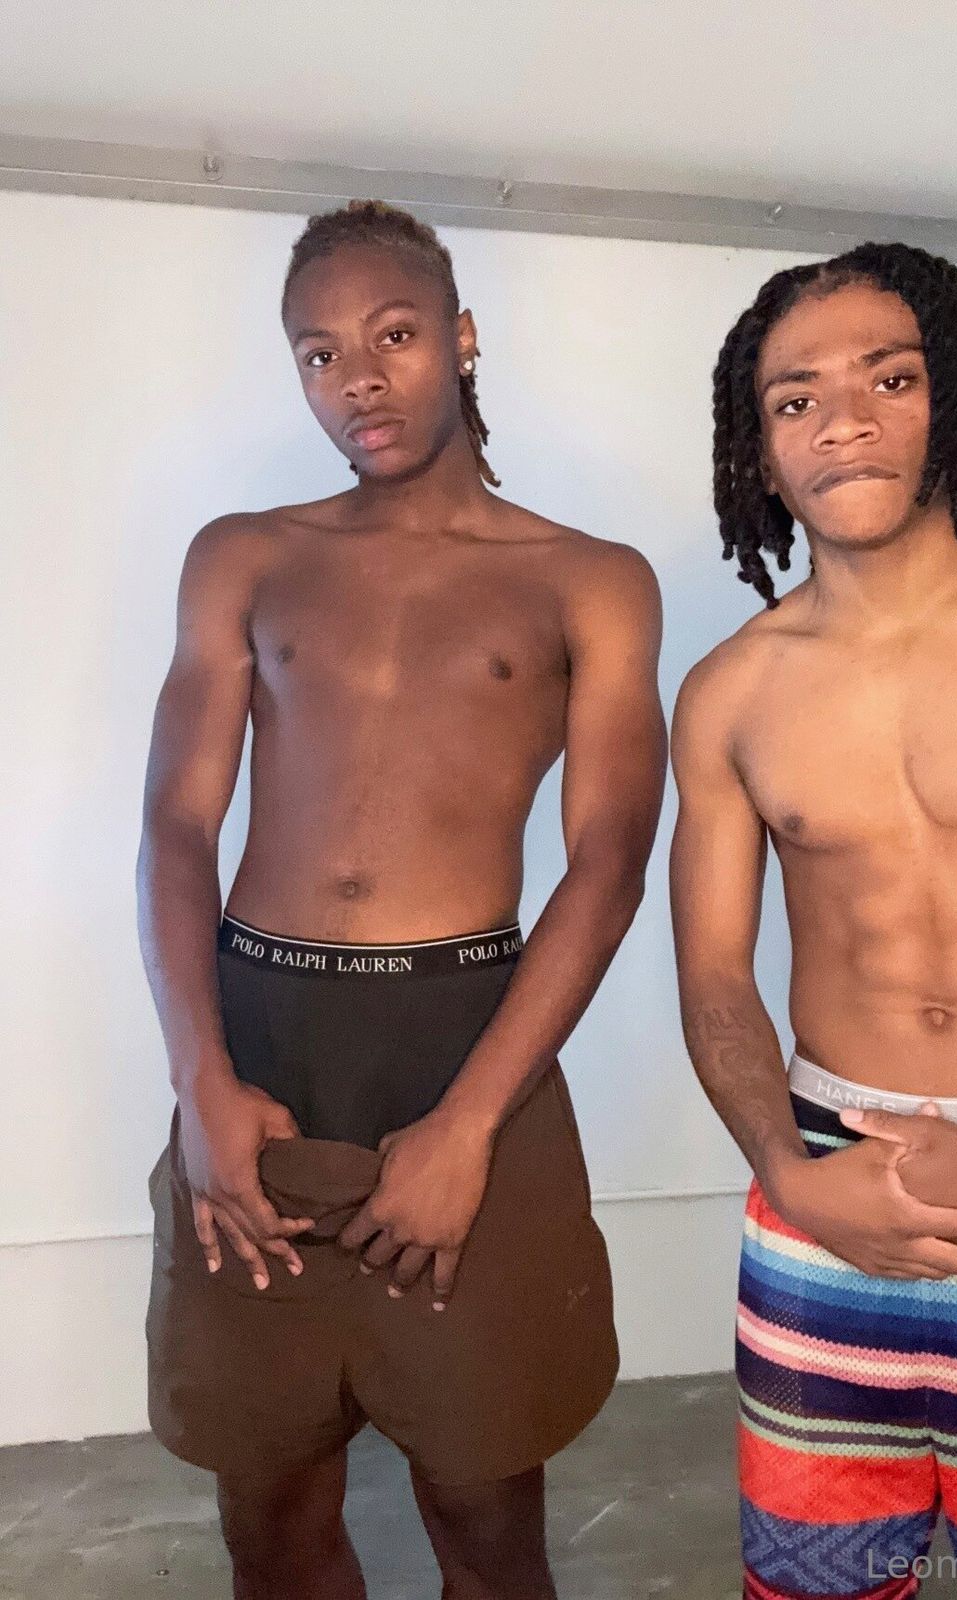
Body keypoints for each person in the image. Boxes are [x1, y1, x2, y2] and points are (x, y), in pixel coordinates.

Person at [137, 199, 666, 1600]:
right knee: (270, 1505)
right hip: (258, 1031)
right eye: (318, 354)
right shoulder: (244, 554)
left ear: (461, 336)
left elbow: (610, 857)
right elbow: (177, 825)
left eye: (391, 336)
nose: (356, 380)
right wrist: (200, 1080)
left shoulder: (589, 580)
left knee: (484, 1509)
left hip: (462, 1034)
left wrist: (469, 1124)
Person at [670, 242, 957, 1599]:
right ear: (759, 450)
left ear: (951, 398)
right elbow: (713, 978)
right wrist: (786, 1175)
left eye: (888, 380)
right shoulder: (730, 691)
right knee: (816, 1579)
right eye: (794, 399)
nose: (840, 421)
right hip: (821, 1199)